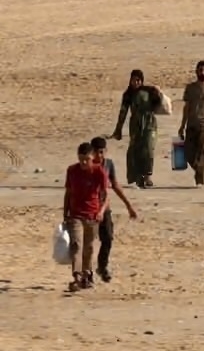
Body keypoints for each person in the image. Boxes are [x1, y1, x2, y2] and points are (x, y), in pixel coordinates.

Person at [90, 137, 137, 283]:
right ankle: (86, 273)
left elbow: (115, 185)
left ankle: (102, 267)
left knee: (108, 239)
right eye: (96, 152)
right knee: (88, 243)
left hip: (105, 208)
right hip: (90, 208)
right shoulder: (87, 166)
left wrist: (129, 206)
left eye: (101, 152)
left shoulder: (108, 164)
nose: (99, 156)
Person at [63, 142, 110, 292]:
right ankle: (76, 276)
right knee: (76, 245)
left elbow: (106, 195)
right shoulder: (72, 171)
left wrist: (101, 212)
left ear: (92, 158)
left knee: (88, 248)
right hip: (76, 214)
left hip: (92, 216)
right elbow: (68, 193)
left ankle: (86, 274)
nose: (84, 162)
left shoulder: (99, 172)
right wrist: (66, 213)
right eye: (81, 159)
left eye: (87, 159)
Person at [111, 69, 161, 188]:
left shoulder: (148, 91)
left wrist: (157, 93)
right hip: (135, 125)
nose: (136, 83)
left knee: (148, 148)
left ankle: (148, 175)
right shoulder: (128, 94)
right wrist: (118, 129)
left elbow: (157, 105)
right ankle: (138, 176)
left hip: (150, 123)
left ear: (142, 81)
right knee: (135, 150)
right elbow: (123, 112)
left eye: (138, 80)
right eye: (133, 80)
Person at [178, 60, 204, 187]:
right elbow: (187, 107)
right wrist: (182, 125)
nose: (202, 73)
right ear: (196, 71)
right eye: (200, 70)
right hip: (191, 124)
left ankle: (199, 182)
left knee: (201, 151)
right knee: (188, 153)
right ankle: (201, 165)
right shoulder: (190, 88)